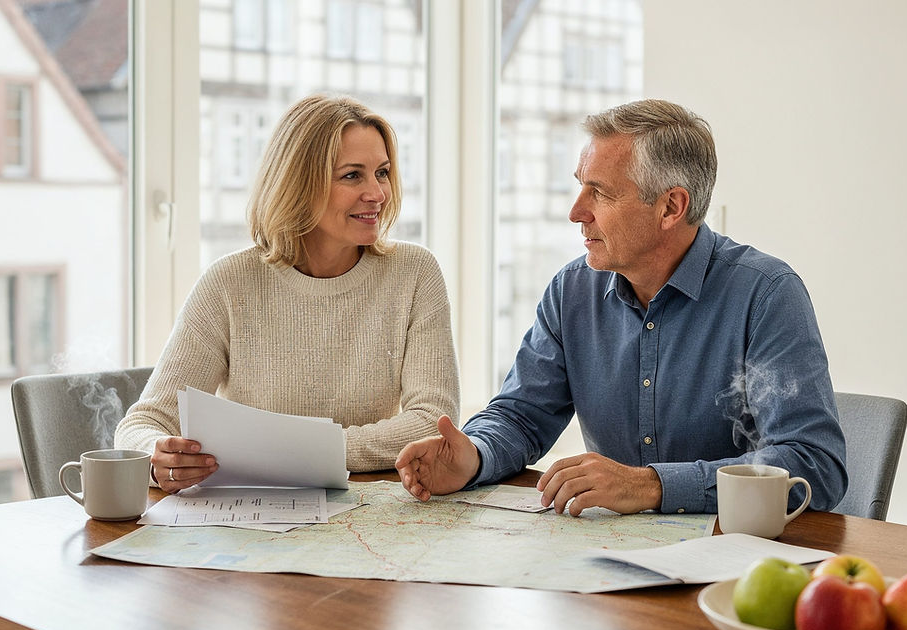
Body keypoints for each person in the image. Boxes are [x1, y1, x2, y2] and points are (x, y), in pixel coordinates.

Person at [396, 99, 847, 516]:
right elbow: (521, 416)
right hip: (612, 569)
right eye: (579, 187)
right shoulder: (571, 291)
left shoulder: (766, 295)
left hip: (736, 569)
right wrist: (473, 457)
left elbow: (814, 464)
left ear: (671, 207)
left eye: (601, 193)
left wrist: (651, 486)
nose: (576, 212)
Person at [116, 93, 459, 490]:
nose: (377, 193)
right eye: (352, 175)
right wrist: (159, 459)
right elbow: (142, 425)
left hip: (370, 515)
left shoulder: (415, 273)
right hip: (254, 523)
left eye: (382, 172)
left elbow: (433, 419)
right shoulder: (229, 283)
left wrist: (301, 453)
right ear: (299, 183)